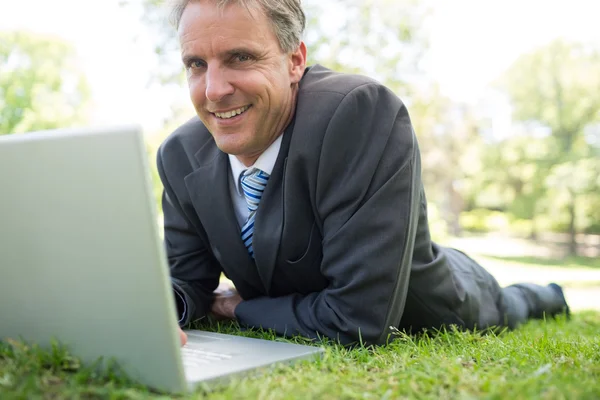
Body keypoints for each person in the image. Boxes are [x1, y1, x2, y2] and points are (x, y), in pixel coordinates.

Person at [158, 0, 569, 347]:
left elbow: (359, 318)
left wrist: (239, 307)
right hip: (312, 292)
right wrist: (161, 313)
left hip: (435, 302)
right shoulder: (179, 156)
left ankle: (547, 295)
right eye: (196, 64)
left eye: (241, 57)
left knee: (516, 304)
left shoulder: (359, 113)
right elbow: (187, 282)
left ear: (295, 61)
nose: (213, 90)